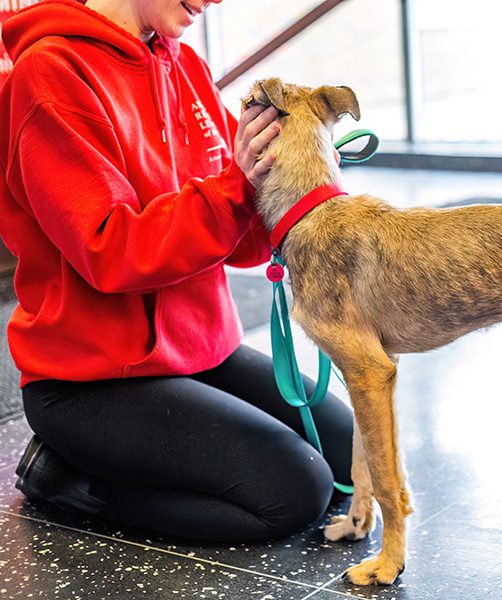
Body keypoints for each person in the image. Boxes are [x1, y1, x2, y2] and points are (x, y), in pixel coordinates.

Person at [0, 0, 354, 542]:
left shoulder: (185, 66)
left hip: (200, 351)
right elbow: (111, 252)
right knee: (295, 490)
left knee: (355, 456)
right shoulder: (49, 72)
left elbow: (236, 242)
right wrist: (237, 187)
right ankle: (70, 478)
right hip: (91, 382)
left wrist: (286, 188)